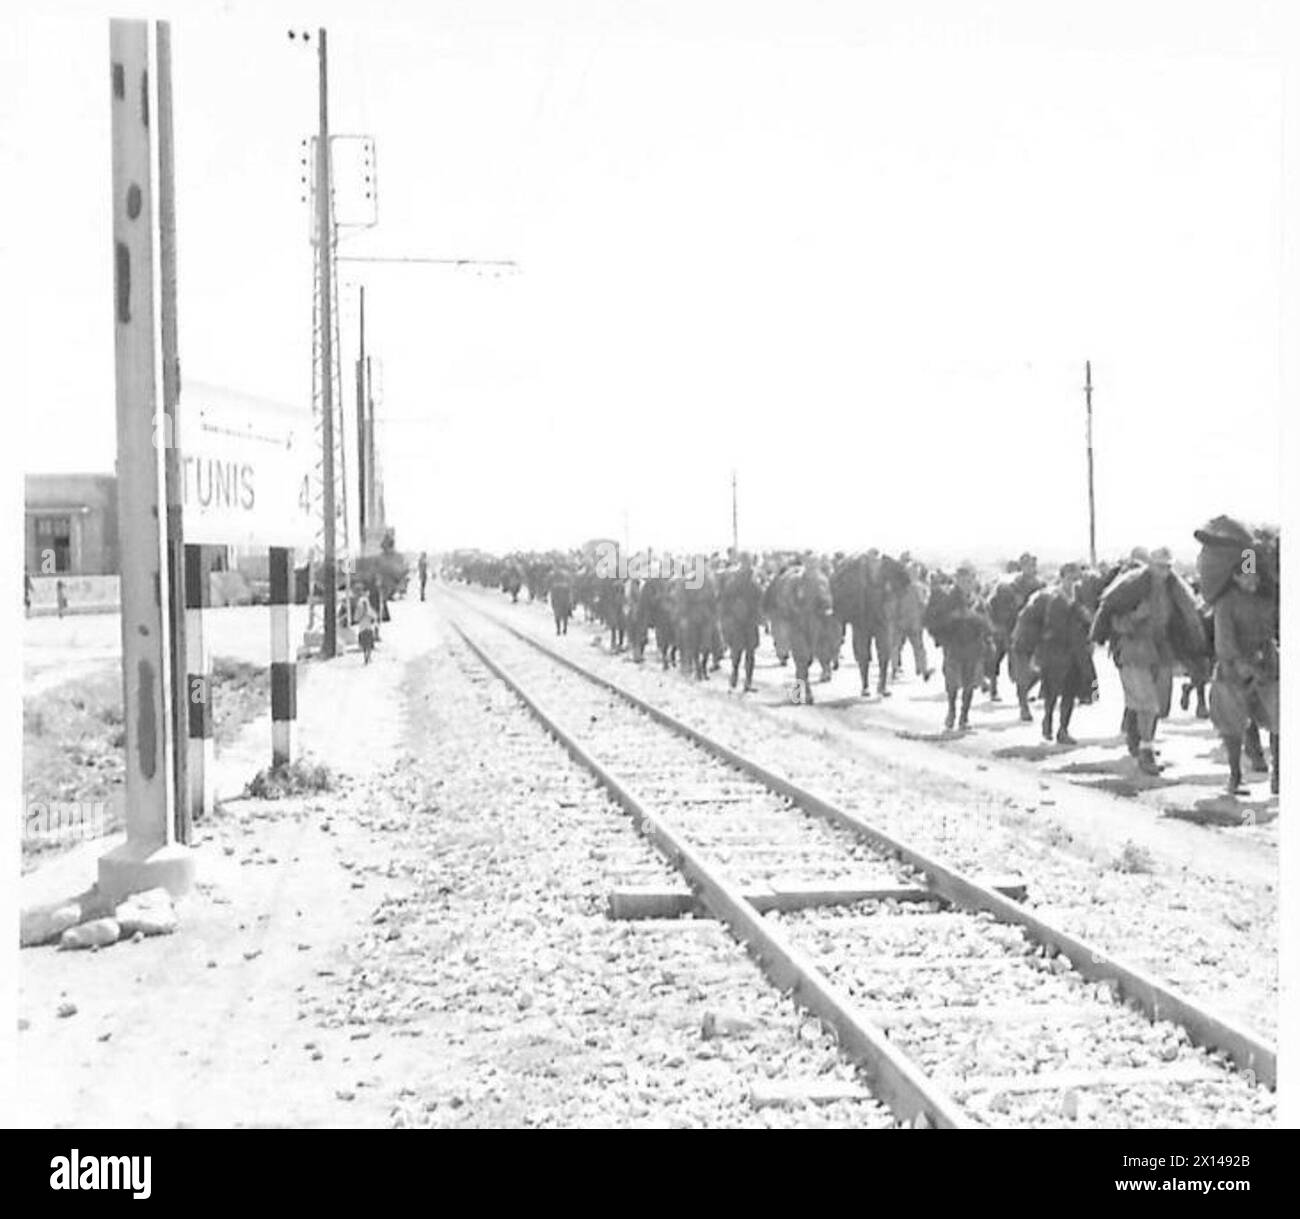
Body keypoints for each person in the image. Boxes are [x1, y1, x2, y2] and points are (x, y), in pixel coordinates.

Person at [1090, 546, 1206, 777]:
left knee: (1159, 705)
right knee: (1147, 703)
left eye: (1168, 567)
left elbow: (1187, 617)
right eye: (1160, 566)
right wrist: (1135, 617)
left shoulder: (1175, 589)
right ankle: (1146, 750)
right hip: (1135, 650)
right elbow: (1114, 620)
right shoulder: (1132, 588)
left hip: (1160, 651)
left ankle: (1137, 739)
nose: (1164, 571)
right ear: (1151, 566)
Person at [1208, 559, 1279, 796]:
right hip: (1232, 673)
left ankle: (1278, 775)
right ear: (1236, 577)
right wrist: (1243, 667)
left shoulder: (1264, 600)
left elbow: (1270, 634)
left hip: (1265, 668)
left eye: (1255, 576)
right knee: (1233, 727)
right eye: (1246, 575)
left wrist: (1269, 662)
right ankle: (1235, 776)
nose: (1252, 580)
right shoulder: (1225, 603)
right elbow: (1225, 641)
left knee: (1279, 720)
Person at [1011, 562, 1097, 745]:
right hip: (1055, 651)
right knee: (1052, 690)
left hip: (1076, 650)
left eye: (1076, 576)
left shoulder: (1081, 597)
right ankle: (1048, 719)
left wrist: (1089, 639)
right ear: (1062, 576)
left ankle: (1063, 729)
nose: (1073, 580)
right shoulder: (1051, 597)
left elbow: (1089, 619)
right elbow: (1047, 624)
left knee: (1070, 692)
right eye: (1069, 576)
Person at [924, 561, 993, 732]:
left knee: (969, 684)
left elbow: (988, 626)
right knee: (952, 682)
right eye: (962, 580)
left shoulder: (979, 602)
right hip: (953, 645)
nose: (966, 584)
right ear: (956, 580)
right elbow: (932, 620)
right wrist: (953, 617)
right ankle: (952, 711)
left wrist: (974, 617)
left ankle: (964, 716)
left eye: (969, 580)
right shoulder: (947, 599)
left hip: (973, 647)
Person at [354, 585, 378, 664]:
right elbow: (373, 615)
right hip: (368, 628)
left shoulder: (360, 605)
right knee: (368, 644)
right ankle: (368, 656)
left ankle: (366, 656)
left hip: (362, 628)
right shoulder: (367, 606)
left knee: (365, 644)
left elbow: (356, 618)